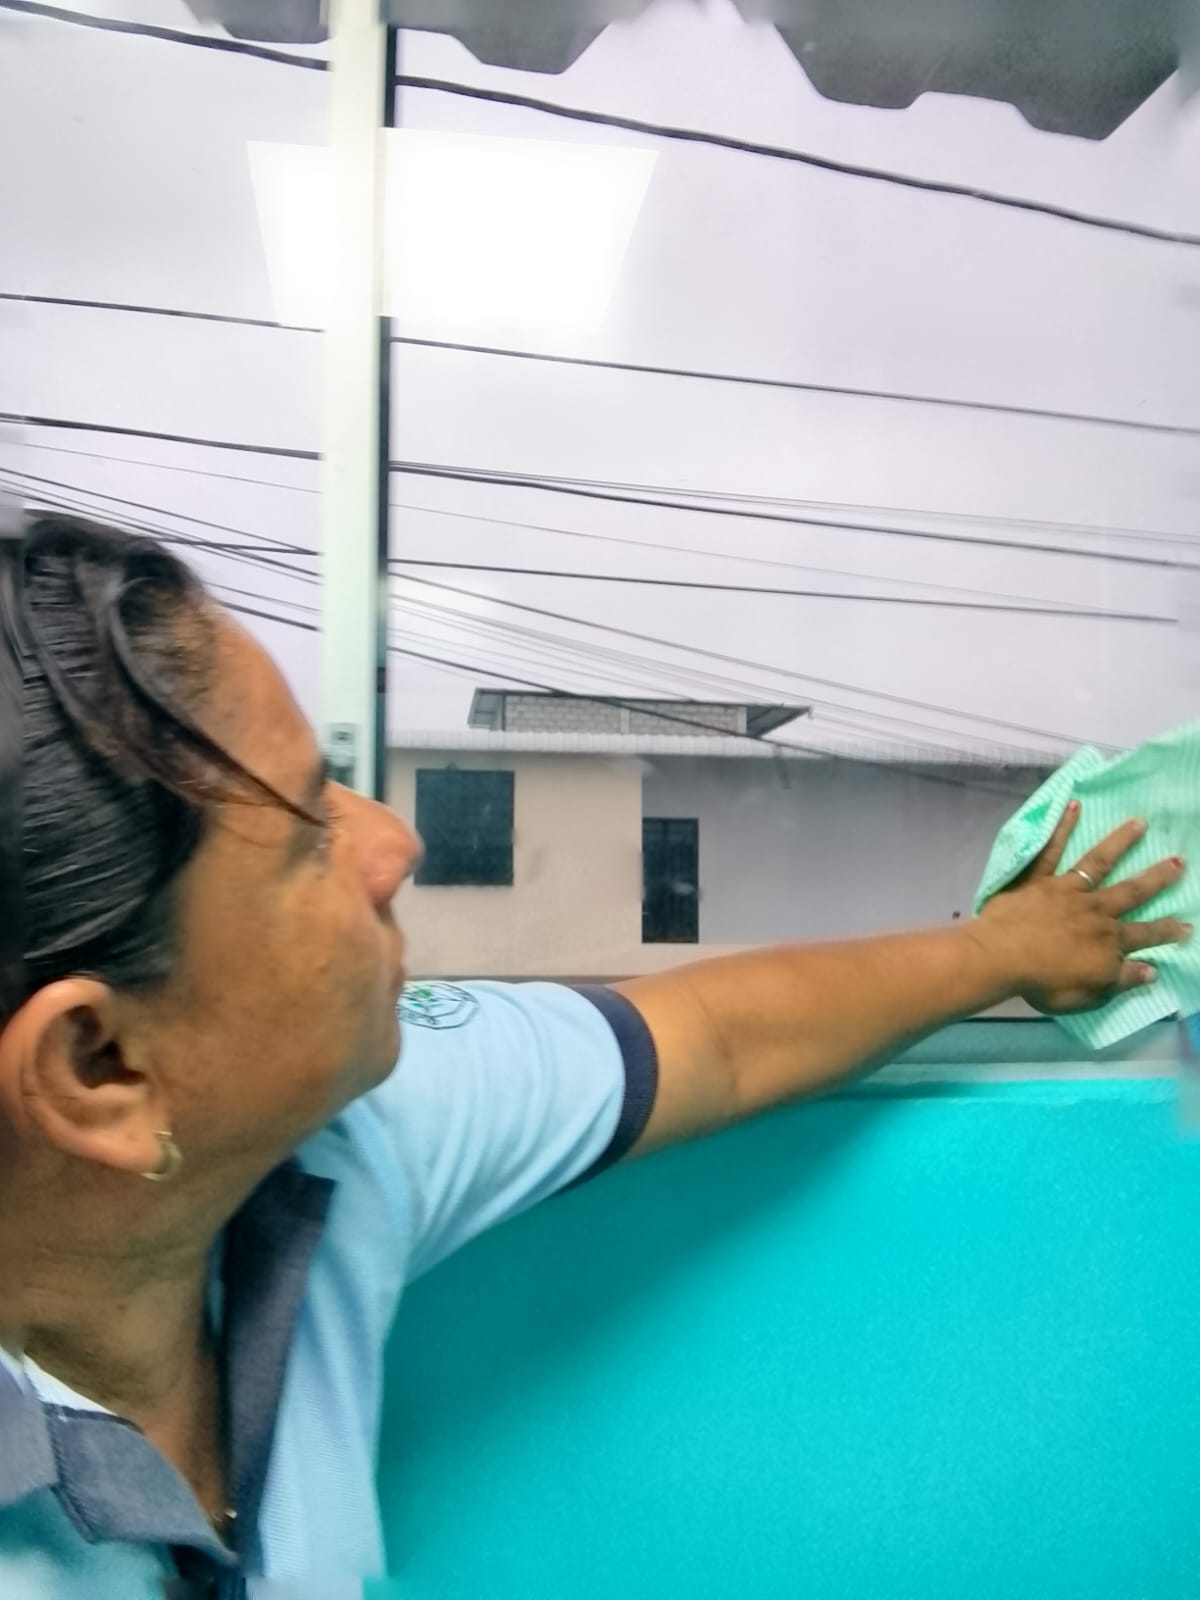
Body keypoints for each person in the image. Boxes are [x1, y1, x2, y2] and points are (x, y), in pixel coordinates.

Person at [0, 512, 1187, 1595]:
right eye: (308, 842)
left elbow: (713, 1036)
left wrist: (1003, 948)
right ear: (99, 1068)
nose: (395, 842)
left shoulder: (346, 1136)